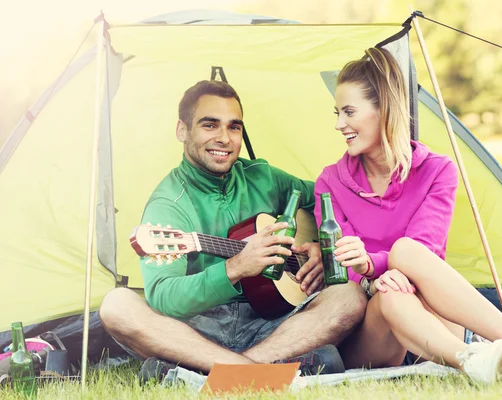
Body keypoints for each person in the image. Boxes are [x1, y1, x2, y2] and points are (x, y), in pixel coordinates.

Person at [99, 80, 367, 382]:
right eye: (210, 125)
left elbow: (332, 198)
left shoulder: (263, 177)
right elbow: (163, 296)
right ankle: (265, 371)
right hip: (197, 332)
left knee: (349, 296)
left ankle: (209, 374)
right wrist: (235, 268)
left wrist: (322, 245)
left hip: (275, 323)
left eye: (234, 127)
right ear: (182, 130)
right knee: (117, 306)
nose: (224, 138)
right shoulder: (167, 205)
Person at [314, 48, 502, 384]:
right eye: (338, 113)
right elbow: (339, 270)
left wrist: (376, 262)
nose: (340, 124)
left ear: (384, 110)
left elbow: (423, 250)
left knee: (406, 255)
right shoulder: (330, 183)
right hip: (373, 330)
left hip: (431, 315)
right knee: (388, 294)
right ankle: (480, 355)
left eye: (349, 112)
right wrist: (369, 273)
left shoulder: (437, 171)